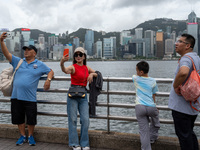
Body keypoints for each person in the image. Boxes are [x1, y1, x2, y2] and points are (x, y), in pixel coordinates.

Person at [0, 32, 54, 146]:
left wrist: (48, 80)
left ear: (34, 53)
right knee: (18, 118)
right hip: (16, 96)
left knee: (31, 119)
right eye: (25, 50)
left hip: (30, 97)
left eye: (28, 50)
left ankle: (30, 136)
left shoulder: (39, 64)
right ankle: (22, 136)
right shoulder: (18, 61)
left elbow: (50, 71)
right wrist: (1, 41)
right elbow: (6, 54)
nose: (26, 51)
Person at [60, 47, 97, 150]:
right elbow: (65, 70)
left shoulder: (86, 68)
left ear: (84, 56)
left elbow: (97, 73)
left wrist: (92, 74)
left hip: (83, 95)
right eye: (76, 55)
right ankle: (74, 143)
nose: (78, 56)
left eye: (80, 54)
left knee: (85, 120)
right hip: (72, 96)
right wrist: (62, 63)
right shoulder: (73, 67)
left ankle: (84, 143)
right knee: (72, 120)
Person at [168, 34, 200, 150]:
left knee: (184, 137)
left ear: (188, 46)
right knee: (189, 135)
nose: (176, 43)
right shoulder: (196, 58)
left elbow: (183, 72)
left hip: (182, 107)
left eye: (180, 41)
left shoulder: (186, 58)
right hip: (193, 105)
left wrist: (176, 86)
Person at [132, 61, 160, 150]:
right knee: (156, 123)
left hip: (140, 107)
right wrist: (155, 105)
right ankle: (152, 138)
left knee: (144, 132)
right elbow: (153, 94)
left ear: (141, 72)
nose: (136, 72)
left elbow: (135, 76)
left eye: (137, 70)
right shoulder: (153, 81)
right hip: (151, 106)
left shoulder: (135, 78)